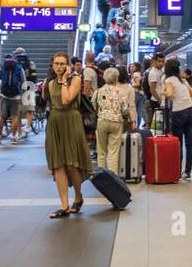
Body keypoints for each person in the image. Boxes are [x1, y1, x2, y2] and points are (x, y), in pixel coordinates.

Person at [45, 51, 92, 218]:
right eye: (56, 63)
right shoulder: (50, 83)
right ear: (53, 65)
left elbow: (66, 100)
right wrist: (59, 81)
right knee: (58, 164)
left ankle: (78, 196)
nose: (59, 66)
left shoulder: (76, 79)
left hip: (72, 121)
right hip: (55, 122)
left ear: (68, 66)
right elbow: (54, 103)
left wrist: (64, 81)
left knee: (73, 165)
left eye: (62, 64)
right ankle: (64, 205)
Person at [93, 68, 133, 173]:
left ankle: (101, 176)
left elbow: (93, 106)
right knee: (113, 153)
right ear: (116, 78)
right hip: (116, 122)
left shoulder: (98, 91)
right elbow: (125, 110)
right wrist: (126, 117)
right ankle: (113, 178)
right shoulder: (121, 92)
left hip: (101, 121)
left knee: (101, 152)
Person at [163, 58, 192, 180]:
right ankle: (187, 172)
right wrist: (186, 101)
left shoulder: (169, 80)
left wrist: (164, 92)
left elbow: (170, 94)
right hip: (191, 112)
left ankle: (177, 172)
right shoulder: (183, 81)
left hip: (179, 113)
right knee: (189, 144)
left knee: (178, 143)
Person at [0, 54, 25, 143]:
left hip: (4, 95)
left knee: (1, 116)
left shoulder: (3, 67)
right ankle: (13, 136)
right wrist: (21, 94)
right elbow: (23, 81)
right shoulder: (19, 68)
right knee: (15, 116)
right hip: (15, 96)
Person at [145, 53, 165, 129]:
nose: (161, 63)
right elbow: (152, 89)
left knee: (159, 124)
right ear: (154, 61)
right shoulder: (153, 73)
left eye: (163, 61)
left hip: (159, 100)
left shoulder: (161, 71)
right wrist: (159, 100)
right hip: (156, 101)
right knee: (156, 125)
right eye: (159, 61)